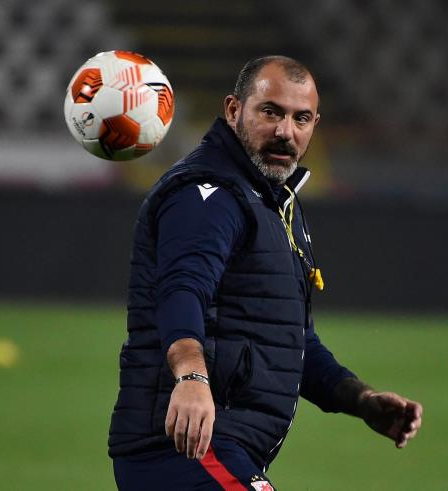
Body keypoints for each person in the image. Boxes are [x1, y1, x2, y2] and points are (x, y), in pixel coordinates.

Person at [109, 55, 423, 490]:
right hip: (184, 446)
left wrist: (361, 399)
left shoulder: (272, 205)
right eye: (271, 112)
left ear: (315, 124)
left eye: (301, 118)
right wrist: (191, 375)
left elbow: (294, 341)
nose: (285, 131)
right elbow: (182, 289)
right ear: (234, 110)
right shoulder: (208, 194)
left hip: (221, 449)